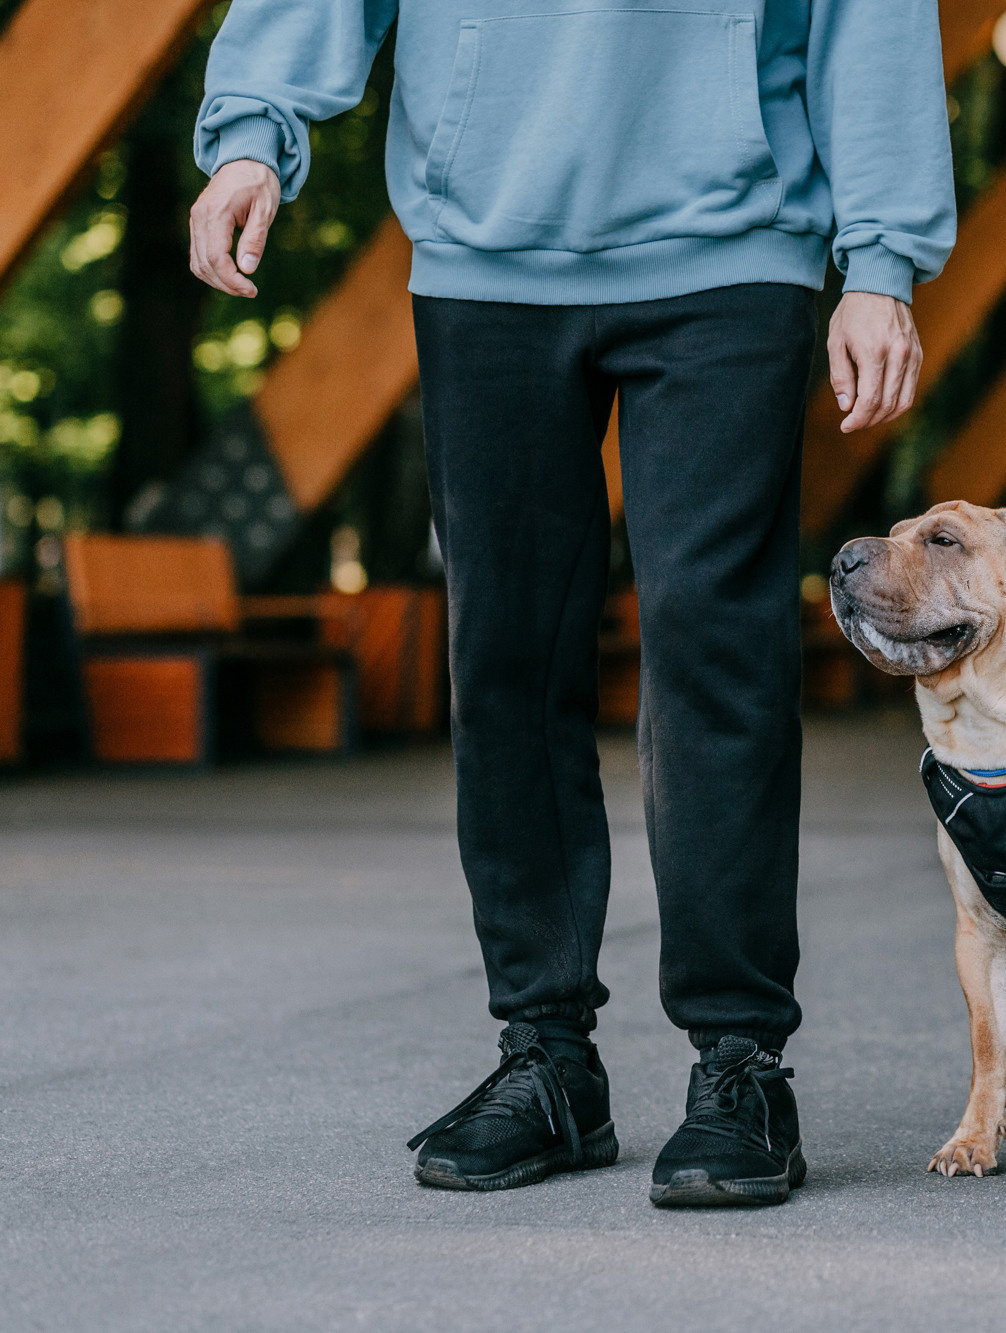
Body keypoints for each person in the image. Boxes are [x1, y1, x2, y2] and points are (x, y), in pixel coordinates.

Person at [188, 0, 955, 1206]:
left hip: (732, 246)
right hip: (485, 251)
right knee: (504, 659)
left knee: (716, 649)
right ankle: (545, 1057)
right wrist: (253, 129)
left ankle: (740, 1062)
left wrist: (879, 258)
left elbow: (871, 19)